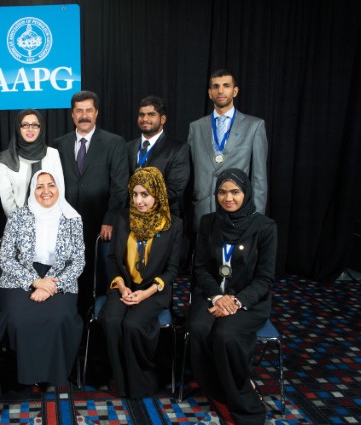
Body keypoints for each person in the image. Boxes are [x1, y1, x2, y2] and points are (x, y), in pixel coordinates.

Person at [188, 168, 277, 424]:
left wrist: (236, 302)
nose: (228, 198)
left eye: (235, 192)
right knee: (198, 328)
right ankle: (217, 390)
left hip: (248, 301)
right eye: (222, 192)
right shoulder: (208, 222)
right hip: (213, 294)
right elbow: (201, 269)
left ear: (245, 193)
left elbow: (264, 278)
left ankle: (241, 393)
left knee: (225, 335)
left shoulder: (265, 227)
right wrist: (218, 297)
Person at [98, 167, 182, 398]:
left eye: (145, 194)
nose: (138, 201)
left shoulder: (173, 224)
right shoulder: (122, 218)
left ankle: (141, 380)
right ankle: (120, 379)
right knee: (111, 320)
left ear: (157, 193)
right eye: (134, 194)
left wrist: (146, 293)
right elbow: (112, 259)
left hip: (154, 289)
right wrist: (122, 286)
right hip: (123, 285)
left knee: (133, 325)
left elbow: (172, 270)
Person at [0, 170, 85, 387]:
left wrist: (51, 286)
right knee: (20, 318)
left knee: (59, 318)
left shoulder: (73, 218)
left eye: (51, 185)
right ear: (32, 190)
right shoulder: (18, 216)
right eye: (39, 186)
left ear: (59, 188)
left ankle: (53, 375)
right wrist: (35, 282)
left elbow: (78, 261)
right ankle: (27, 376)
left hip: (60, 278)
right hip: (20, 276)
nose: (46, 191)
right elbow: (5, 258)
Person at [53, 90, 128, 315]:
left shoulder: (114, 142)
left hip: (100, 222)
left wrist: (110, 218)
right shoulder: (58, 144)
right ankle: (72, 312)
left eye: (88, 110)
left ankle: (95, 315)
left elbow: (120, 185)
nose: (84, 115)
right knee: (70, 270)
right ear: (72, 114)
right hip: (66, 222)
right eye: (79, 111)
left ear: (96, 113)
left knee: (97, 271)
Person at [187, 69, 268, 232]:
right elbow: (190, 174)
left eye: (226, 86)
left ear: (235, 91)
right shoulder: (196, 127)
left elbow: (259, 179)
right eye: (216, 86)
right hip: (202, 212)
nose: (221, 91)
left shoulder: (254, 126)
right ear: (210, 93)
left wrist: (256, 219)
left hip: (239, 214)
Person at [126, 96, 190, 218]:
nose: (145, 119)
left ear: (163, 119)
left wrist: (143, 204)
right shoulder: (127, 147)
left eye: (151, 115)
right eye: (141, 115)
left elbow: (175, 189)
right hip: (131, 217)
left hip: (163, 218)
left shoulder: (178, 149)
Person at [0, 108, 64, 217]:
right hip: (18, 221)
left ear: (41, 128)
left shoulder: (52, 154)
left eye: (35, 125)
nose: (30, 129)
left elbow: (59, 190)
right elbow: (7, 199)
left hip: (51, 219)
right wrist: (22, 222)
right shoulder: (6, 159)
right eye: (25, 125)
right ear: (18, 128)